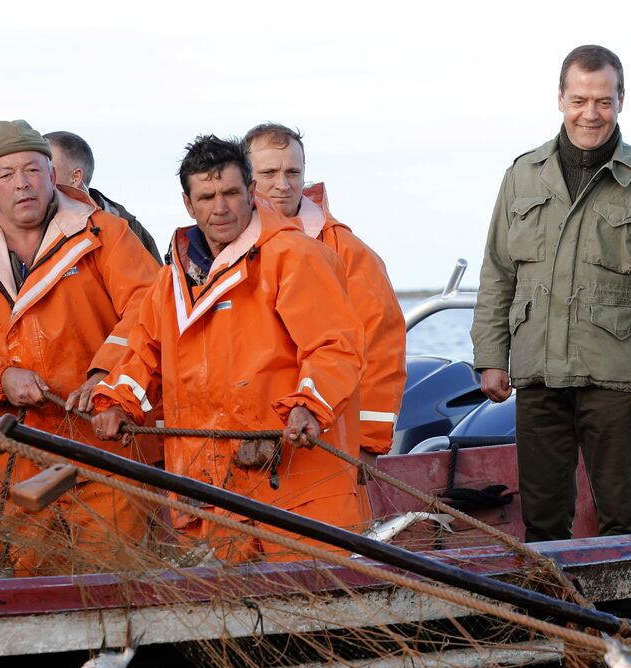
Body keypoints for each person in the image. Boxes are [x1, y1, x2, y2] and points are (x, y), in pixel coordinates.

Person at [85, 135, 365, 562]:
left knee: (306, 608)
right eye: (207, 196)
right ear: (188, 204)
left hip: (294, 491)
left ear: (251, 193)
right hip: (207, 492)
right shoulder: (171, 281)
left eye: (232, 193)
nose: (221, 207)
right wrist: (117, 403)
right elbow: (143, 357)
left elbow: (334, 347)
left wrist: (310, 405)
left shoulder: (294, 257)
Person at [0, 119, 160, 576]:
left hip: (107, 444)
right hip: (20, 455)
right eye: (6, 174)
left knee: (114, 586)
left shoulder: (107, 234)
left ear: (52, 175)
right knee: (24, 587)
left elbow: (150, 313)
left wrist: (102, 374)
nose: (22, 184)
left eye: (31, 170)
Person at [470, 44, 631, 542]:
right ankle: (551, 616)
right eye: (579, 100)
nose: (591, 113)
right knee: (543, 521)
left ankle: (630, 617)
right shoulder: (521, 176)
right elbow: (497, 274)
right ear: (561, 99)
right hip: (538, 372)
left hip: (615, 378)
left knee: (623, 517)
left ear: (621, 100)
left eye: (603, 101)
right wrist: (490, 356)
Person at [242, 122, 406, 467]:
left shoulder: (346, 251)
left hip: (323, 446)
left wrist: (367, 443)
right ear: (246, 177)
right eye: (269, 172)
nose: (282, 185)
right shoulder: (221, 250)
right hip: (241, 444)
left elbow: (380, 345)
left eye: (293, 172)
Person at [44, 129, 163, 265]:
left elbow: (154, 285)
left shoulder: (128, 230)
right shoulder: (21, 229)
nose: (31, 180)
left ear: (75, 178)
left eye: (46, 169)